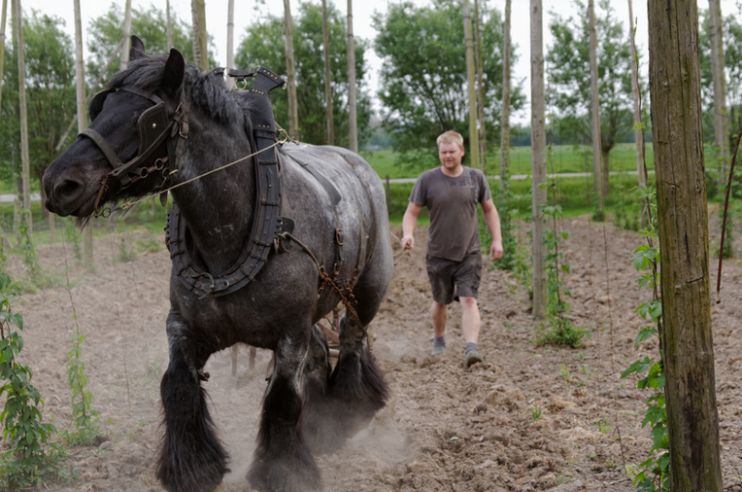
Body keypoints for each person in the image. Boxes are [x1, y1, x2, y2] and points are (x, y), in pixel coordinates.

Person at [401, 130, 503, 367]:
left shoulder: (475, 178)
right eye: (443, 152)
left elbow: (489, 209)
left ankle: (471, 348)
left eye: (451, 152)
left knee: (469, 299)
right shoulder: (427, 180)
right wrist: (408, 234)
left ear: (462, 151)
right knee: (441, 301)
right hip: (438, 254)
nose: (447, 156)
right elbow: (412, 212)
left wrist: (497, 240)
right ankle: (439, 339)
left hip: (469, 252)